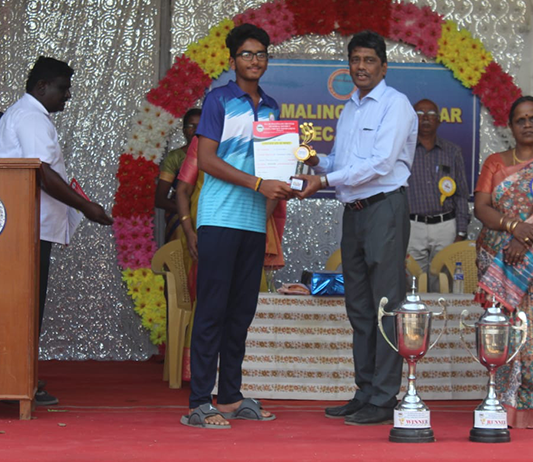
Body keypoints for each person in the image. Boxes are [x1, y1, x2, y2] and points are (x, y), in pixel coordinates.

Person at [295, 30, 417, 425]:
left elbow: (380, 164)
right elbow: (342, 164)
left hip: (384, 209)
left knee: (387, 305)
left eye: (368, 60)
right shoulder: (349, 108)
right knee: (360, 307)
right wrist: (315, 162)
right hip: (354, 212)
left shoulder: (395, 105)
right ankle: (364, 392)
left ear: (383, 66)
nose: (361, 67)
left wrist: (324, 181)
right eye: (355, 60)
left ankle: (384, 397)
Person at [180, 23, 293, 429]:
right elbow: (207, 160)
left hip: (253, 224)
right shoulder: (218, 100)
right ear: (232, 61)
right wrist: (259, 184)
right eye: (247, 54)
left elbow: (275, 169)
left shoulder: (273, 107)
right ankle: (199, 402)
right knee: (212, 310)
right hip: (219, 219)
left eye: (261, 54)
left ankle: (229, 397)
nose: (255, 60)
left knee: (241, 313)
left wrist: (279, 190)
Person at [0, 56, 113, 405]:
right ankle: (18, 381)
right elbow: (42, 172)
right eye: (63, 88)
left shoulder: (24, 114)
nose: (68, 95)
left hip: (25, 227)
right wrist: (85, 206)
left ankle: (18, 376)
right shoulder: (31, 117)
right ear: (42, 86)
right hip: (28, 228)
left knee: (25, 306)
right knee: (27, 307)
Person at [474, 96, 533, 428]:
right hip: (500, 262)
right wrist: (513, 227)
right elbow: (482, 208)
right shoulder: (495, 163)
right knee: (504, 333)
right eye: (521, 119)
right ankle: (502, 401)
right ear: (510, 127)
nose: (528, 124)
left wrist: (524, 240)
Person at [406, 98, 470, 291]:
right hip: (412, 226)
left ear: (439, 120)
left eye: (431, 114)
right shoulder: (402, 151)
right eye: (419, 114)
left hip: (445, 226)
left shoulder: (452, 151)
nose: (425, 118)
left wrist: (460, 232)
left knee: (444, 283)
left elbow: (461, 194)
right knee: (413, 283)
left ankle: (441, 312)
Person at [155, 108, 201, 243]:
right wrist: (187, 212)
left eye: (200, 125)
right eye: (191, 126)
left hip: (207, 215)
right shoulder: (175, 157)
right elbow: (160, 199)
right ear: (184, 130)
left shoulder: (214, 155)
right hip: (180, 217)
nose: (196, 130)